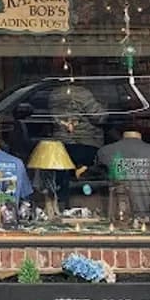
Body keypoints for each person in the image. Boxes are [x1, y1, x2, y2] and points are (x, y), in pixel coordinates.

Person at [47, 81, 106, 209]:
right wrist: (106, 107)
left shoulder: (54, 94)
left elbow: (54, 118)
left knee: (63, 182)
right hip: (84, 142)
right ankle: (86, 209)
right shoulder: (81, 93)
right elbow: (99, 117)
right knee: (86, 182)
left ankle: (63, 208)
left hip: (62, 144)